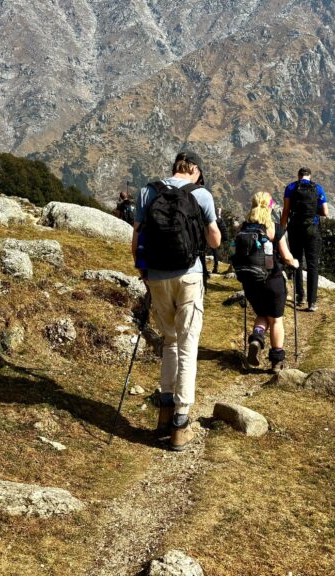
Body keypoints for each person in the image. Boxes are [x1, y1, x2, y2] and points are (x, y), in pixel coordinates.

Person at [133, 151, 221, 450]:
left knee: (169, 340)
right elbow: (215, 240)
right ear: (193, 169)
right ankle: (181, 422)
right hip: (189, 275)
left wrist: (144, 273)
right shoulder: (201, 195)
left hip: (157, 276)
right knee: (188, 344)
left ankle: (164, 411)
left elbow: (137, 238)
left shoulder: (148, 191)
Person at [235, 191, 300, 372]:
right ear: (270, 206)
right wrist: (295, 262)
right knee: (276, 320)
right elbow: (286, 257)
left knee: (262, 314)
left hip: (250, 282)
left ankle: (256, 338)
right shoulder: (274, 228)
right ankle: (276, 361)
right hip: (272, 281)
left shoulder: (244, 227)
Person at [281, 167, 329, 312]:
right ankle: (312, 302)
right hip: (312, 229)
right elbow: (325, 212)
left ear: (299, 176)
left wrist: (282, 229)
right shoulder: (318, 188)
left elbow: (286, 210)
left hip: (295, 229)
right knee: (312, 264)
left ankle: (299, 296)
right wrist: (314, 211)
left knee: (296, 261)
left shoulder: (290, 188)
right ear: (310, 176)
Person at [210, 207, 229, 275]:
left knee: (215, 249)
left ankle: (216, 266)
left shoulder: (216, 220)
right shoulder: (218, 220)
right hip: (218, 236)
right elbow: (223, 230)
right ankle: (216, 266)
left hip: (215, 235)